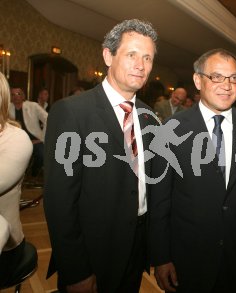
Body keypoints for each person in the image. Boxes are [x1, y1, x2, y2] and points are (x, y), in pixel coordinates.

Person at [44, 19, 159, 293]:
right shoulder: (71, 112)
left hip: (135, 249)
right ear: (108, 55)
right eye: (131, 55)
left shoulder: (151, 118)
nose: (140, 65)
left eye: (147, 58)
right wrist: (76, 271)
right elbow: (60, 201)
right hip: (92, 254)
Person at [150, 48, 236, 293]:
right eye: (216, 77)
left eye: (233, 78)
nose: (226, 85)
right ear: (198, 80)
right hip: (186, 259)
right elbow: (160, 200)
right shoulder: (170, 129)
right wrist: (161, 257)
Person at [0, 72, 33, 286]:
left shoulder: (16, 139)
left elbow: (46, 120)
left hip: (6, 249)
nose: (18, 97)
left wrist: (42, 137)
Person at [9, 87, 47, 178]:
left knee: (42, 155)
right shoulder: (7, 107)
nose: (16, 96)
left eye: (18, 94)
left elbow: (48, 119)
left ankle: (33, 174)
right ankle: (18, 178)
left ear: (23, 96)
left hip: (35, 139)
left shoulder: (33, 106)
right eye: (13, 94)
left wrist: (42, 137)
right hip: (16, 141)